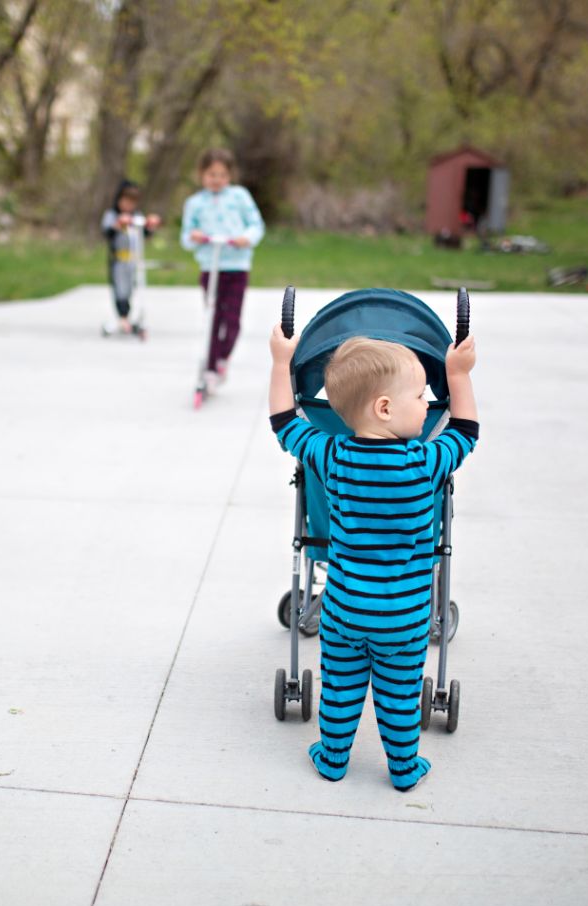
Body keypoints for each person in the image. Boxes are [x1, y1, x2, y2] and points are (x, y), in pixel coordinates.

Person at [267, 326, 479, 792]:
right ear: (385, 407)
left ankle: (332, 759)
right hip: (405, 616)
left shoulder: (334, 457)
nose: (428, 405)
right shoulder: (427, 464)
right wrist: (459, 375)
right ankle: (403, 769)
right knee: (399, 695)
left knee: (340, 689)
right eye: (421, 395)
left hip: (345, 608)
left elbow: (284, 422)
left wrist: (282, 362)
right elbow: (466, 430)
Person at [180, 149, 265, 387]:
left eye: (222, 174)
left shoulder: (239, 196)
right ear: (201, 174)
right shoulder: (195, 203)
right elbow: (186, 236)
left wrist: (245, 238)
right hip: (211, 267)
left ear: (229, 175)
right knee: (213, 318)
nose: (216, 179)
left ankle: (222, 358)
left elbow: (256, 225)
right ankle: (209, 366)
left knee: (232, 319)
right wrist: (194, 236)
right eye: (211, 174)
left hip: (236, 266)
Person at [101, 180, 161, 334]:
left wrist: (151, 225)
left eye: (132, 202)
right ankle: (122, 318)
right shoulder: (112, 215)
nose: (128, 205)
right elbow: (107, 233)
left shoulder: (137, 216)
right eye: (126, 201)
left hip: (134, 261)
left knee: (130, 289)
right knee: (120, 289)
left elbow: (144, 233)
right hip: (119, 260)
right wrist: (119, 224)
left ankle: (128, 317)